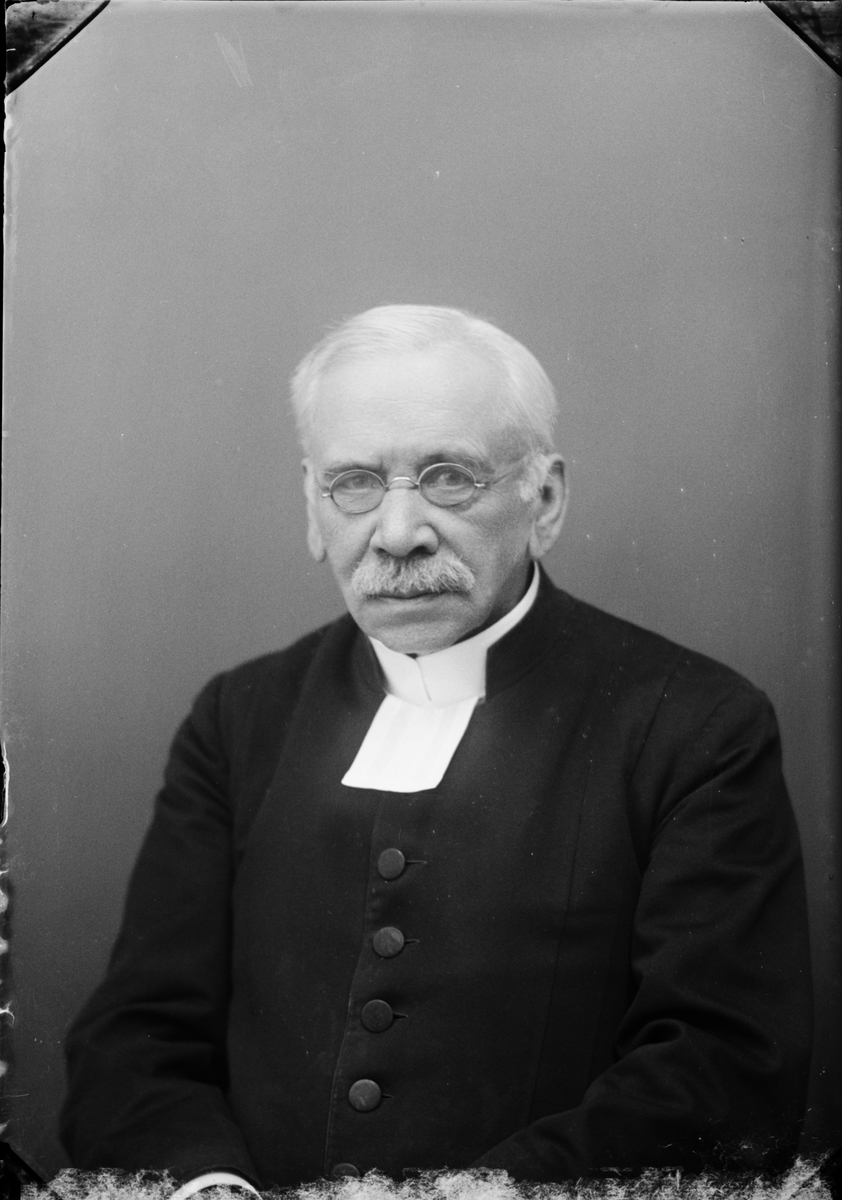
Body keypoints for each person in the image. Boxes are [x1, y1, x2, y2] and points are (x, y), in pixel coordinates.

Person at [60, 306, 813, 1196]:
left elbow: (721, 1074)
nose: (397, 532)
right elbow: (135, 1040)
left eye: (449, 478)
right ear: (312, 507)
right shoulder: (239, 717)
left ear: (545, 499)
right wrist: (208, 1188)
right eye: (353, 483)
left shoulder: (695, 724)